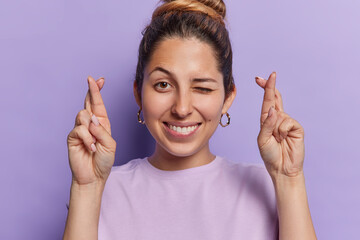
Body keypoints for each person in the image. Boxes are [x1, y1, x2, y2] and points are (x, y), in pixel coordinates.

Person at [63, 0, 317, 239]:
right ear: (138, 94)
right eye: (163, 85)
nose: (182, 108)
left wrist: (289, 179)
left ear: (227, 98)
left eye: (202, 88)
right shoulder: (102, 190)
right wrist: (86, 188)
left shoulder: (267, 187)